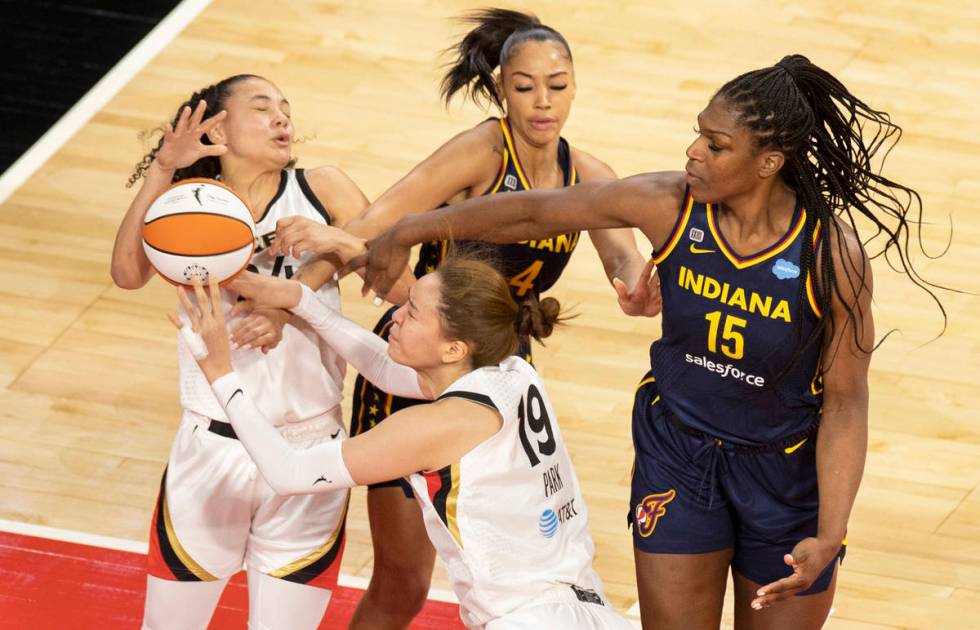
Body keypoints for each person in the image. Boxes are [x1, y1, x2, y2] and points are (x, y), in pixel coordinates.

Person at [352, 54, 939, 629]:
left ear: (769, 163)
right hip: (678, 457)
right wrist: (410, 228)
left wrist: (831, 531)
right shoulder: (668, 204)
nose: (694, 152)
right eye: (697, 135)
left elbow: (846, 401)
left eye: (716, 144)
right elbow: (536, 213)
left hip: (783, 474)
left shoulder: (830, 253)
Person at [270, 10, 656, 625]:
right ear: (502, 86)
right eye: (525, 86)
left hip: (502, 374)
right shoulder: (481, 151)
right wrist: (299, 293)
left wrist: (644, 290)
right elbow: (383, 217)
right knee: (403, 582)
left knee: (510, 559)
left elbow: (626, 264)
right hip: (417, 367)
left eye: (557, 85)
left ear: (576, 86)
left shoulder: (590, 176)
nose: (542, 102)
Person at [171, 260, 635, 630]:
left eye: (412, 312)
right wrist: (301, 300)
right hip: (586, 606)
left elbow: (289, 472)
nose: (394, 315)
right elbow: (385, 368)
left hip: (527, 618)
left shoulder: (438, 425)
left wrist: (219, 370)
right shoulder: (511, 372)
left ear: (454, 348)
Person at [110, 74, 370, 629]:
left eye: (286, 107)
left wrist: (302, 287)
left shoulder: (323, 188)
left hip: (309, 450)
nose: (283, 118)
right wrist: (162, 168)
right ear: (219, 128)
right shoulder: (183, 205)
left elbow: (389, 270)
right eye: (262, 108)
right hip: (212, 448)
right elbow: (128, 273)